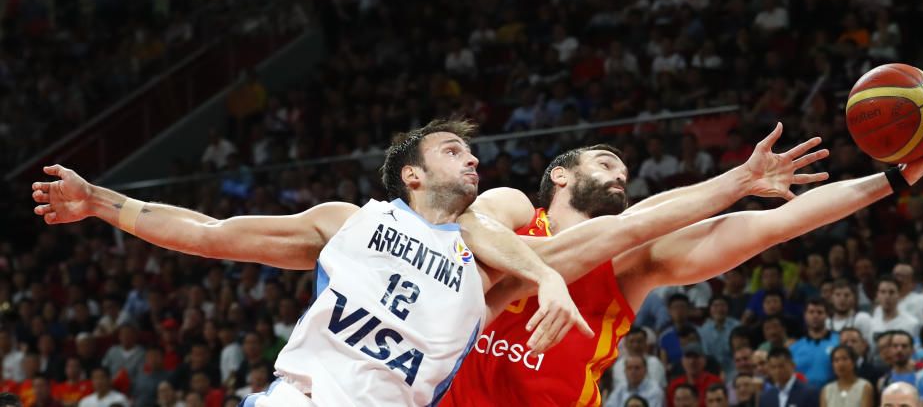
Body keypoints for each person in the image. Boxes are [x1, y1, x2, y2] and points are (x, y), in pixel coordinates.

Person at [33, 120, 599, 406]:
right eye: (452, 149)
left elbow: (616, 233)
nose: (471, 157)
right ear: (413, 175)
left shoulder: (486, 261)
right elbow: (210, 233)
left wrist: (546, 274)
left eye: (471, 151)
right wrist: (99, 202)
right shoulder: (351, 221)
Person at [444, 105, 923, 405]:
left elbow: (773, 225)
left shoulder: (629, 264)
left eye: (624, 173)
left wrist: (896, 178)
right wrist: (547, 270)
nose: (619, 175)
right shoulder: (513, 208)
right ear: (559, 176)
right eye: (605, 164)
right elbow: (469, 231)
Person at [791, 298, 839, 387]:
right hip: (803, 397)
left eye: (820, 312)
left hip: (832, 394)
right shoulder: (794, 348)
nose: (815, 316)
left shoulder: (839, 342)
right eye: (811, 312)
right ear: (805, 315)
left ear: (827, 315)